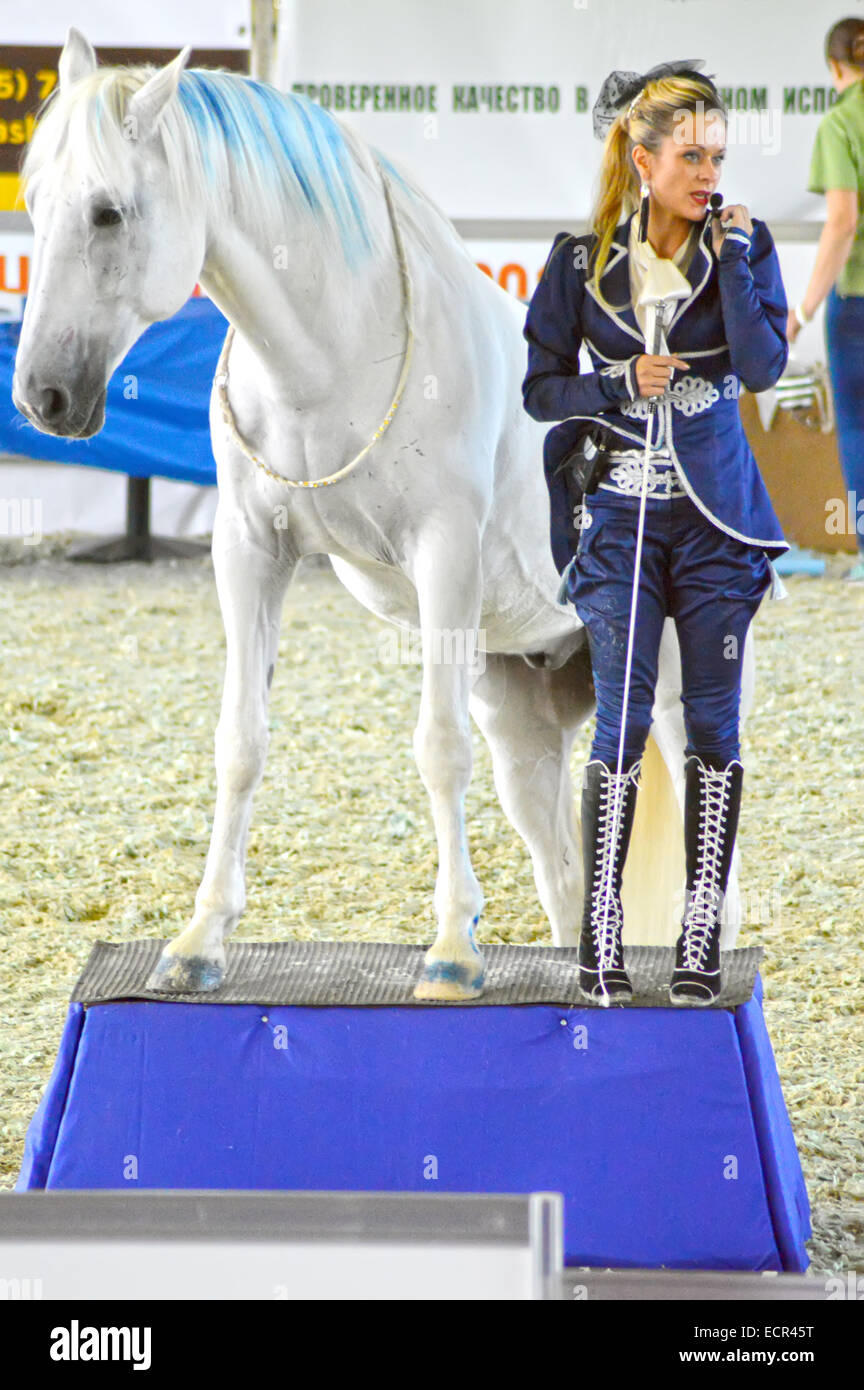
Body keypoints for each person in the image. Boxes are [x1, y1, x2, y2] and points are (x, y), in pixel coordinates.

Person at [522, 61, 790, 1006]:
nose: (707, 172)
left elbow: (761, 369)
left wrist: (744, 258)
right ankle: (599, 943)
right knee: (623, 724)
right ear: (643, 159)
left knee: (713, 726)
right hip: (621, 520)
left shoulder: (743, 249)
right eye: (690, 156)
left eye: (717, 155)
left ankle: (699, 939)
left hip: (719, 524)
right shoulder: (577, 262)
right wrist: (610, 386)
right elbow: (540, 392)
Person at [791, 17, 864, 580]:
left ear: (836, 67)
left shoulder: (842, 122)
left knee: (859, 425)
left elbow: (842, 222)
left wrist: (803, 309)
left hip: (858, 297)